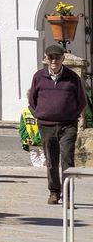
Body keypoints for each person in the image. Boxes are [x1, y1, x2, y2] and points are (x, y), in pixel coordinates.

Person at [29, 42, 86, 204]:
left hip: (68, 125)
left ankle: (68, 195)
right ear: (46, 59)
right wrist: (39, 115)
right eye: (51, 57)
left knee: (67, 159)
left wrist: (73, 116)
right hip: (46, 125)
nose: (54, 61)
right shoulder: (39, 76)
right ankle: (54, 192)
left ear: (63, 59)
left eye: (58, 58)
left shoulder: (72, 78)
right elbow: (32, 99)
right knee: (51, 160)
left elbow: (81, 101)